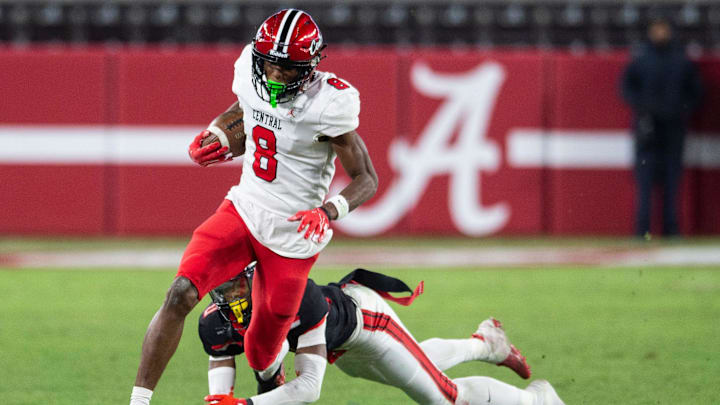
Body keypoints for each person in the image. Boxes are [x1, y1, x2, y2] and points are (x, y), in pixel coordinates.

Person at [130, 9, 378, 405]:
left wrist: (328, 211)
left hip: (294, 234)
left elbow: (367, 177)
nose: (276, 76)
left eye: (288, 69)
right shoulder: (249, 66)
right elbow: (244, 112)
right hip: (245, 207)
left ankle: (267, 378)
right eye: (270, 66)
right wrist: (218, 133)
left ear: (311, 66)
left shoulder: (330, 102)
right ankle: (138, 401)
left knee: (261, 350)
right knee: (180, 292)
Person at [197, 263, 565, 405]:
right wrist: (223, 399)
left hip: (369, 324)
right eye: (224, 290)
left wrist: (246, 404)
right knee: (416, 363)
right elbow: (221, 389)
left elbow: (309, 387)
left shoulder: (296, 295)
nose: (232, 298)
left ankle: (539, 400)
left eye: (237, 287)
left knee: (445, 398)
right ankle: (486, 343)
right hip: (342, 352)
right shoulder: (214, 322)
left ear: (255, 277)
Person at [620, 17, 703, 238]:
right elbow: (626, 88)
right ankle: (642, 230)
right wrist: (643, 108)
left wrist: (679, 109)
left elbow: (695, 92)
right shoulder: (641, 59)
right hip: (646, 129)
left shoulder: (681, 60)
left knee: (671, 181)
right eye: (656, 28)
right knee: (645, 181)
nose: (660, 33)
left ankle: (671, 229)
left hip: (673, 128)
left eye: (663, 28)